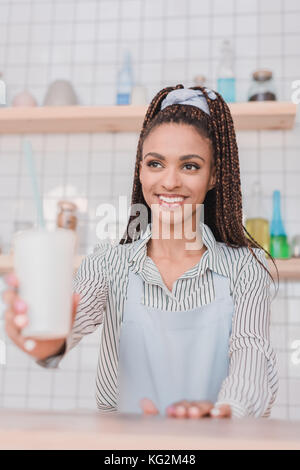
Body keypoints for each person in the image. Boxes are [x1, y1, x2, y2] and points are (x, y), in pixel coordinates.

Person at [3, 84, 279, 419]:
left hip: (217, 443)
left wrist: (226, 411)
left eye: (190, 166)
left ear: (214, 175)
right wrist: (48, 340)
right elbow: (66, 324)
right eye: (155, 164)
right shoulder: (109, 263)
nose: (169, 181)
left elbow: (251, 357)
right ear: (141, 169)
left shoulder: (247, 268)